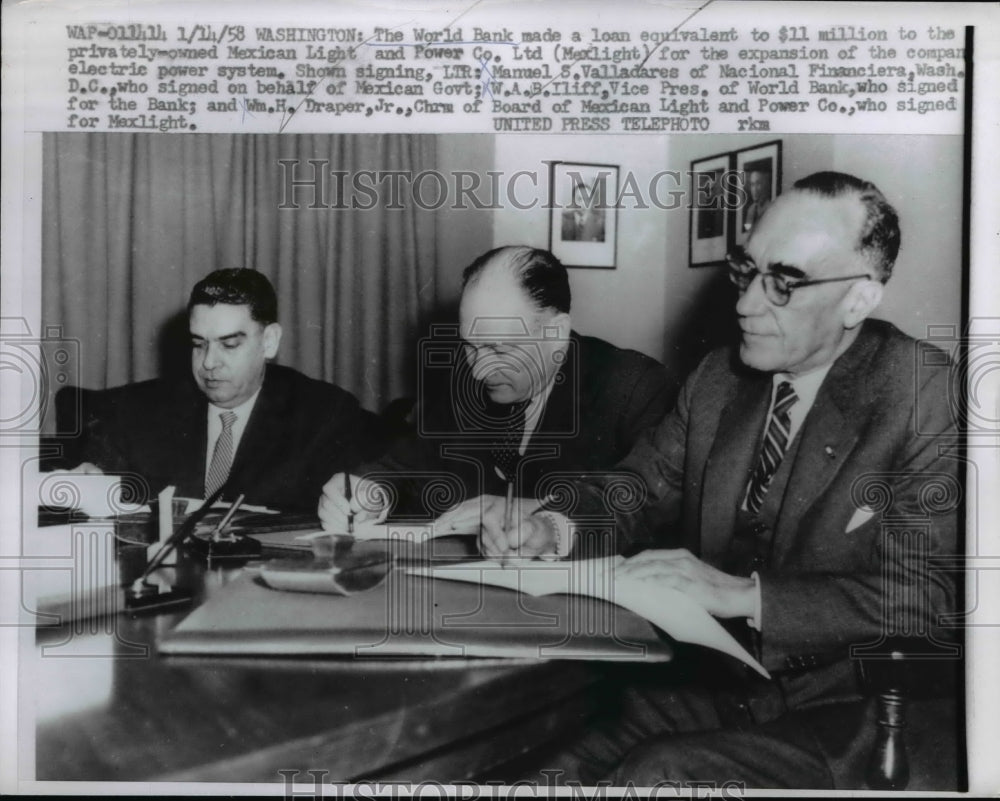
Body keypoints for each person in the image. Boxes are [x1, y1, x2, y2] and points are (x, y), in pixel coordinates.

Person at [479, 173, 959, 786]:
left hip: (858, 712)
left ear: (859, 300)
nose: (746, 304)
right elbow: (635, 490)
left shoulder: (924, 392)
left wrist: (744, 596)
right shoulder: (718, 380)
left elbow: (929, 595)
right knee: (544, 766)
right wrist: (550, 526)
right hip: (725, 687)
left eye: (784, 282)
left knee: (660, 777)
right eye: (745, 271)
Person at [318, 246, 675, 538]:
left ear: (556, 331)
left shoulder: (630, 386)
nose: (478, 368)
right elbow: (408, 469)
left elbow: (647, 503)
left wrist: (530, 509)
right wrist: (371, 492)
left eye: (500, 350)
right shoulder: (467, 385)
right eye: (470, 347)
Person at [71, 268, 384, 511]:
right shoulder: (136, 410)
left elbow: (387, 480)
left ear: (270, 341)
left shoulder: (323, 413)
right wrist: (90, 480)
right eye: (198, 344)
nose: (208, 362)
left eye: (229, 344)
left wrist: (366, 499)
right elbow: (99, 470)